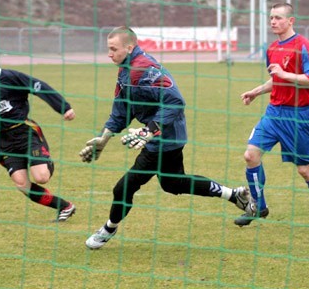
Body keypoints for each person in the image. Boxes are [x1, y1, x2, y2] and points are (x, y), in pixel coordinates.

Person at [80, 26, 254, 249]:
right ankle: (234, 195)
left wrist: (149, 130)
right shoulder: (126, 69)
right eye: (108, 49)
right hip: (161, 137)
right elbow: (122, 110)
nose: (109, 54)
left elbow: (176, 102)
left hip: (165, 137)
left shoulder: (144, 68)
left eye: (113, 49)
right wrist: (104, 138)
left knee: (124, 188)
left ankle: (107, 230)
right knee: (173, 183)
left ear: (129, 47)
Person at [235, 2, 309, 227]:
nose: (273, 21)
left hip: (298, 115)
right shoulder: (271, 48)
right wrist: (257, 91)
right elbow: (276, 78)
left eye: (278, 18)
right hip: (274, 113)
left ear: (291, 21)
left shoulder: (303, 45)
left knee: (304, 169)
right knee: (251, 155)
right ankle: (258, 207)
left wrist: (285, 73)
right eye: (271, 17)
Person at [0, 49, 77, 221]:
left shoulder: (11, 77)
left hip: (25, 132)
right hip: (5, 140)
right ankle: (64, 206)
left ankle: (43, 159)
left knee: (41, 177)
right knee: (22, 184)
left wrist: (64, 107)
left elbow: (40, 87)